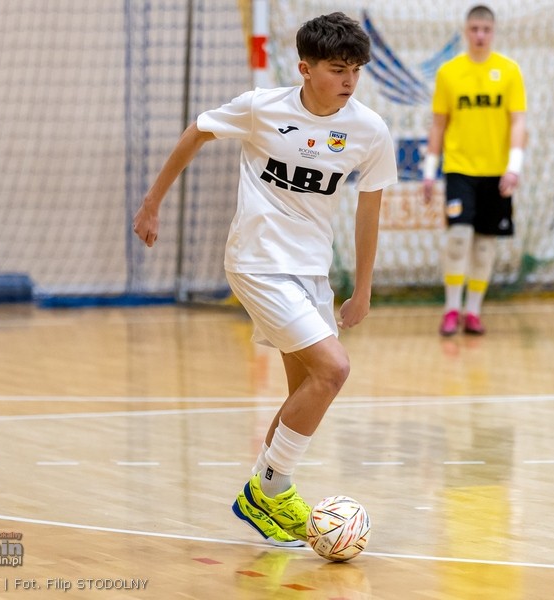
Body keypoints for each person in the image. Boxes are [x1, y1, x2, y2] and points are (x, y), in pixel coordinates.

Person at [132, 12, 397, 546]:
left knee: (305, 390)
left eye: (356, 71)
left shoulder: (369, 129)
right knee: (334, 369)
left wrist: (363, 288)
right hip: (256, 262)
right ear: (305, 68)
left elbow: (369, 211)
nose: (349, 80)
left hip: (311, 272)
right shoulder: (261, 107)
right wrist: (152, 202)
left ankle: (265, 494)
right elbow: (197, 132)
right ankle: (270, 488)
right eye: (338, 68)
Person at [422, 4, 527, 336]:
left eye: (486, 29)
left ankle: (474, 312)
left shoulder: (509, 71)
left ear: (493, 32)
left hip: (496, 173)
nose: (480, 35)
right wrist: (429, 170)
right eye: (474, 29)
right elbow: (439, 125)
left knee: (484, 244)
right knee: (458, 238)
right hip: (459, 170)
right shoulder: (449, 73)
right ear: (465, 32)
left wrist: (514, 167)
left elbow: (518, 122)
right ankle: (451, 308)